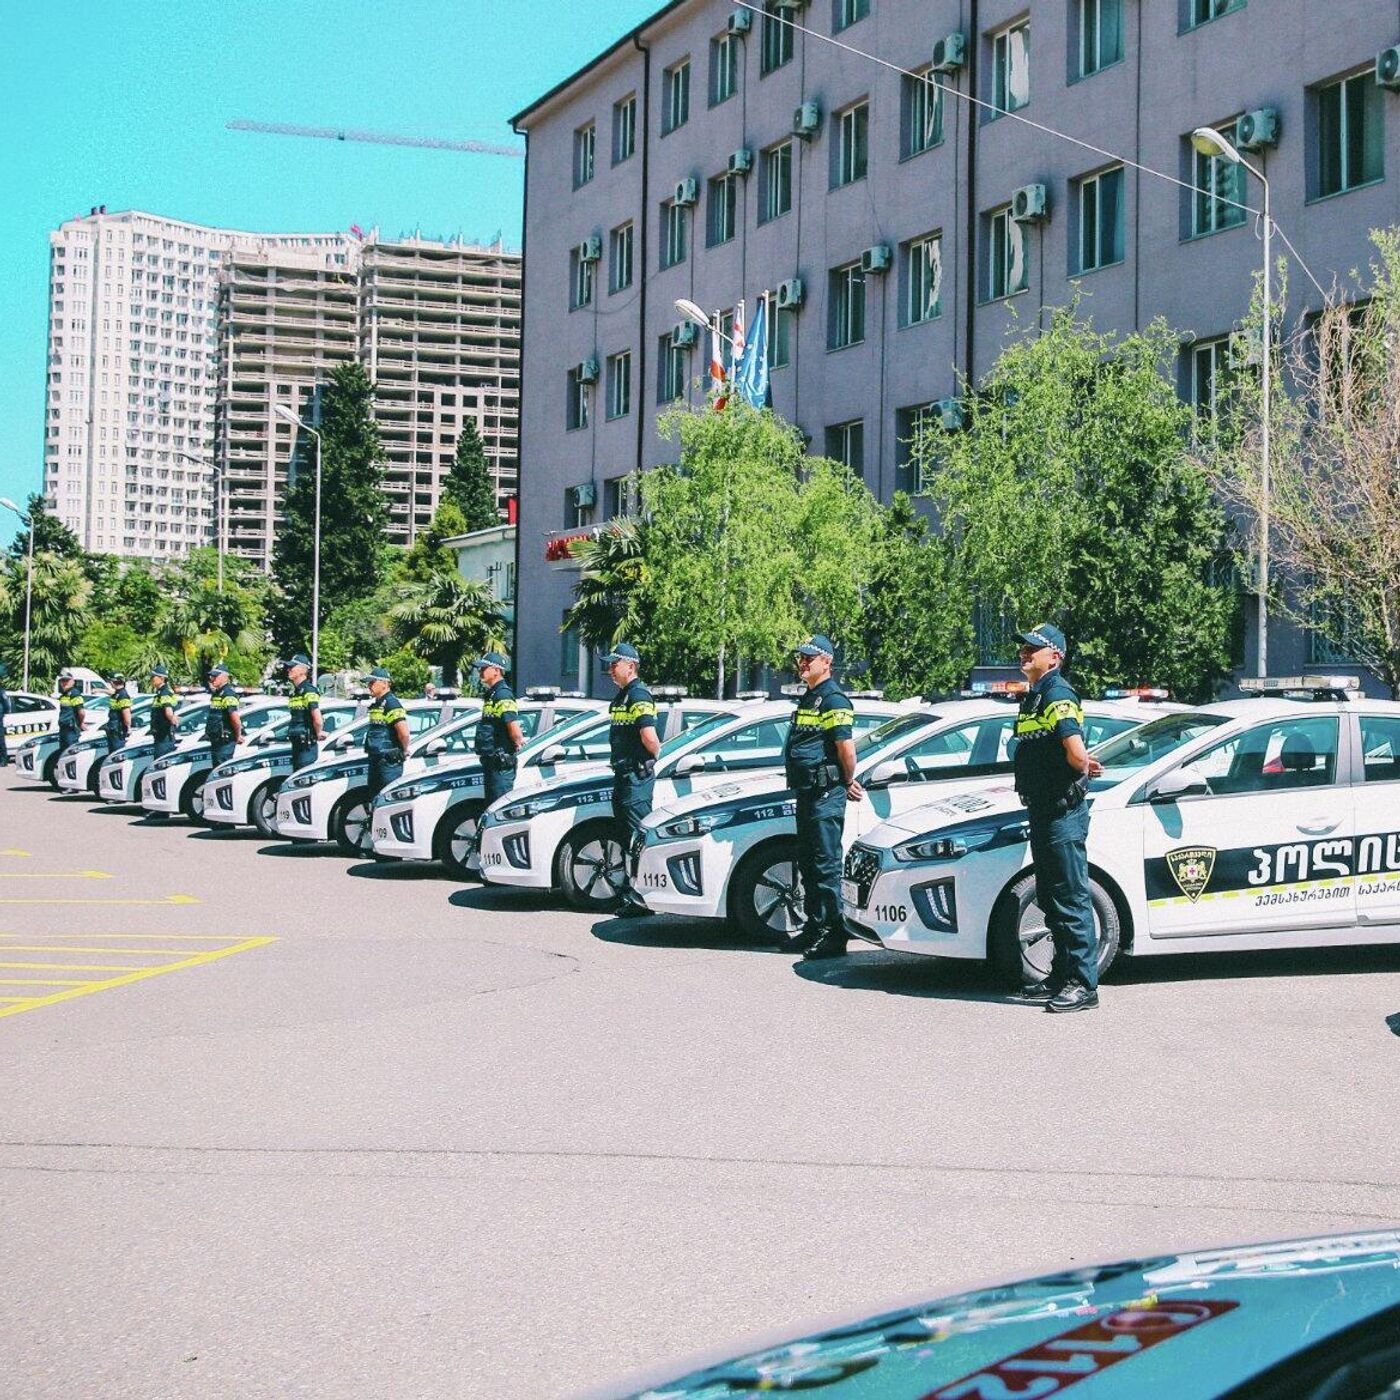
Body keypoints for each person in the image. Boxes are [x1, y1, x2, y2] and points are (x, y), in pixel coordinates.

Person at [1010, 623, 1104, 1014]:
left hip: (1061, 812)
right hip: (1043, 810)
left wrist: (1080, 766)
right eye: (1022, 649)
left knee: (1070, 898)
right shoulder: (1034, 697)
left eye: (1034, 649)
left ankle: (1083, 986)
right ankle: (1061, 974)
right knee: (1050, 897)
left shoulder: (1057, 693)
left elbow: (1076, 752)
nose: (1024, 654)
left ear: (1055, 656)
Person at [785, 636, 861, 961]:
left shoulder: (833, 700)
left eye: (809, 659)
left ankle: (833, 934)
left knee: (826, 865)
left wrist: (846, 781)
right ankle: (814, 927)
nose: (803, 664)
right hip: (808, 794)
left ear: (827, 662)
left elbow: (846, 749)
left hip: (826, 794)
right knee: (808, 862)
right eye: (800, 659)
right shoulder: (810, 699)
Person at [602, 642, 660, 917]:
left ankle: (642, 899)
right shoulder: (624, 696)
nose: (610, 669)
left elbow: (650, 738)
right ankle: (631, 893)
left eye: (615, 664)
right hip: (625, 777)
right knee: (626, 838)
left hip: (636, 777)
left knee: (637, 838)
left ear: (631, 666)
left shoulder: (638, 695)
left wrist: (651, 758)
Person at [472, 652, 524, 806]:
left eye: (484, 668)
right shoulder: (492, 694)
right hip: (492, 764)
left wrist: (518, 743)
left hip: (501, 767)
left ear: (496, 670)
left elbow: (513, 727)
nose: (480, 672)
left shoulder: (503, 694)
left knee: (499, 807)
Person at [364, 666, 410, 796]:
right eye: (368, 683)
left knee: (387, 797)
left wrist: (405, 750)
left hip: (389, 763)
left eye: (372, 682)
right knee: (374, 797)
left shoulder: (391, 703)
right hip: (376, 760)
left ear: (384, 684)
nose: (369, 686)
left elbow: (404, 732)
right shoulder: (378, 704)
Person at [284, 654, 323, 771]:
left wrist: (319, 733)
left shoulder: (309, 691)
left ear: (303, 670)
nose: (288, 670)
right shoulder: (295, 692)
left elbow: (317, 719)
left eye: (292, 667)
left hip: (306, 745)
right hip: (297, 743)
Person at [204, 663, 243, 768]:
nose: (212, 679)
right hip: (216, 741)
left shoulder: (228, 694)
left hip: (225, 741)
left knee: (222, 771)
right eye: (211, 676)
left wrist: (238, 735)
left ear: (224, 677)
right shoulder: (217, 694)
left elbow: (235, 719)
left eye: (215, 676)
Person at [148, 664, 179, 761]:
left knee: (161, 762)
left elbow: (168, 711)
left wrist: (172, 718)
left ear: (162, 678)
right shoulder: (160, 693)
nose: (151, 679)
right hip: (160, 736)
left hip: (164, 737)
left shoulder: (165, 693)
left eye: (154, 677)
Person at [104, 673, 133, 756]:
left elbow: (126, 714)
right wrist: (101, 690)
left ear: (113, 682)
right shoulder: (118, 693)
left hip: (118, 730)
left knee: (116, 754)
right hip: (113, 729)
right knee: (112, 753)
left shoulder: (123, 695)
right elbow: (112, 693)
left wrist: (128, 727)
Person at [56, 668, 85, 753]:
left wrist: (81, 723)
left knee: (71, 753)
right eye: (62, 681)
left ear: (73, 681)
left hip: (71, 729)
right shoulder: (64, 695)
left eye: (67, 680)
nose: (64, 683)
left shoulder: (75, 693)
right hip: (64, 728)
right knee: (64, 753)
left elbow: (81, 712)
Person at [0, 662, 10, 767]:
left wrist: (4, 713)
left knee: (0, 741)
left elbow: (7, 705)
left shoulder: (1, 691)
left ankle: (3, 760)